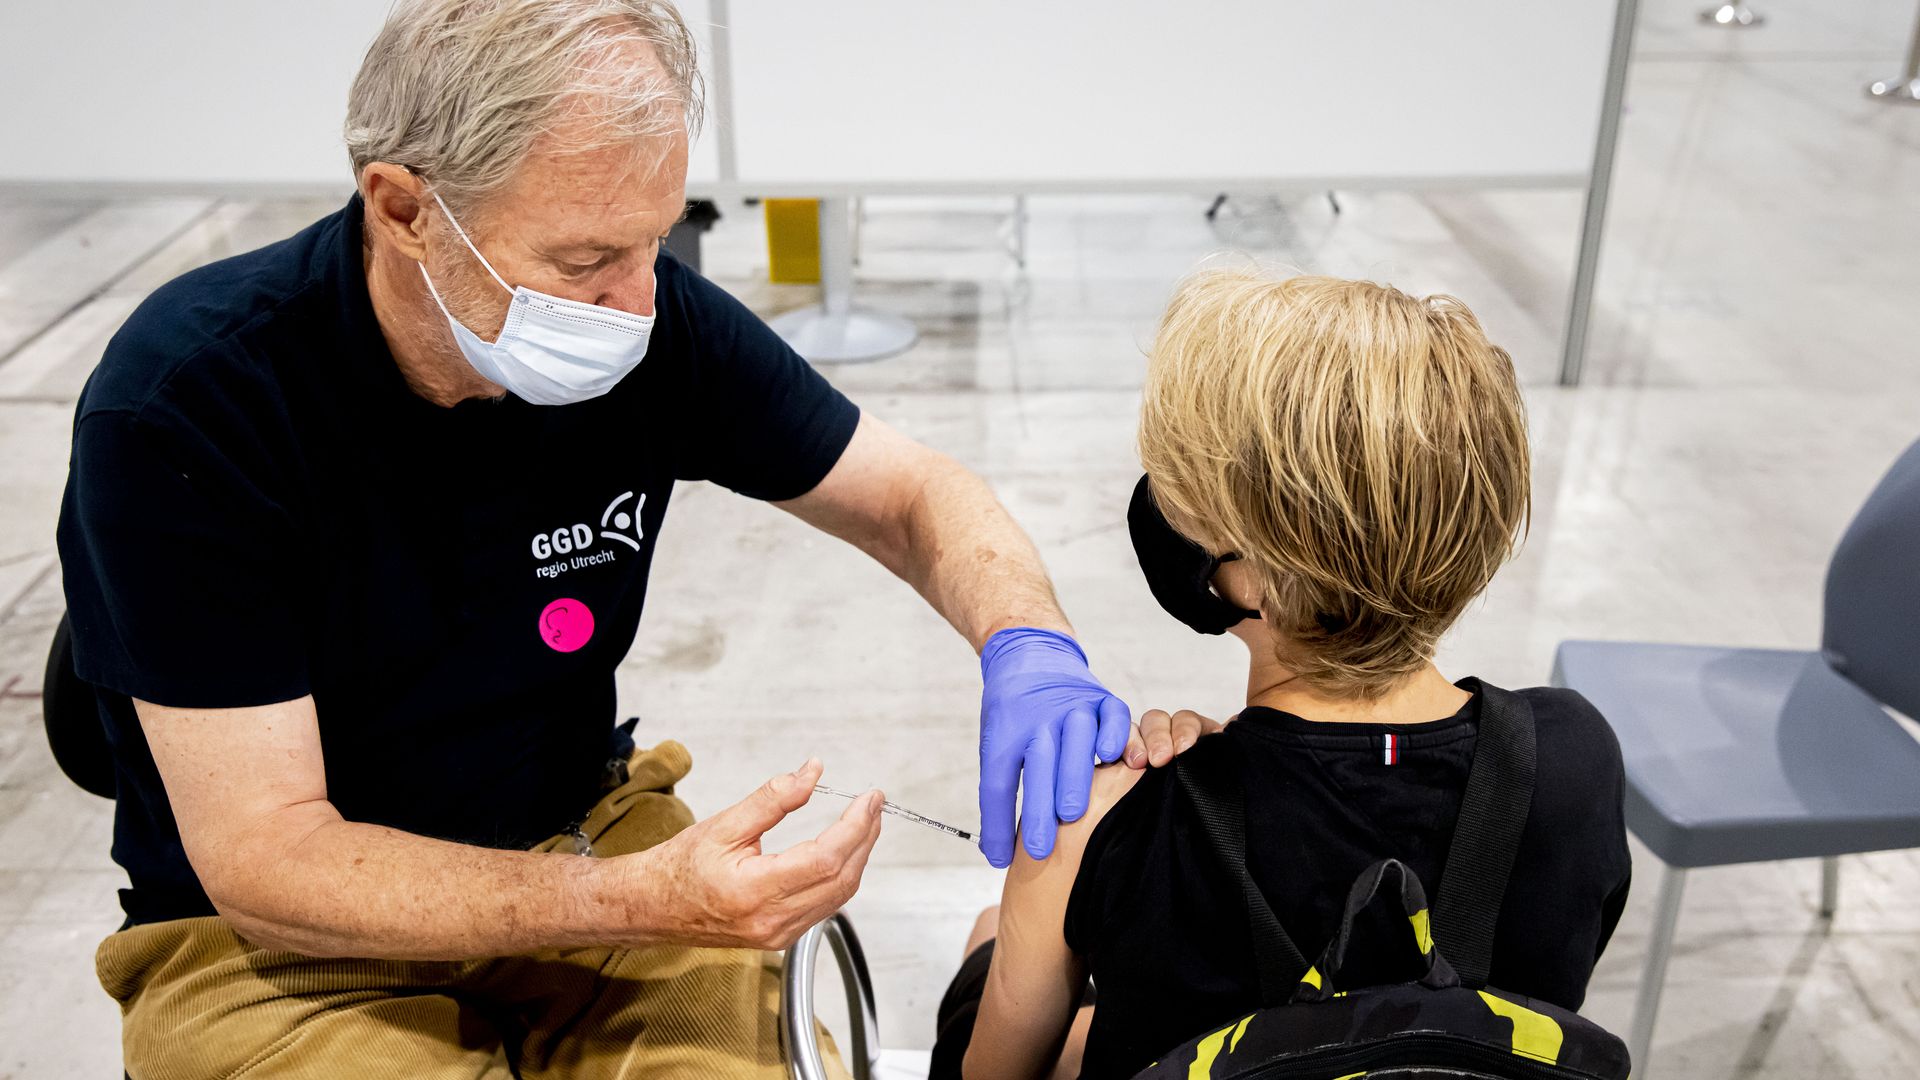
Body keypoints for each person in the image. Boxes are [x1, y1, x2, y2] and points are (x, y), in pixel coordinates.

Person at [54, 2, 1129, 1075]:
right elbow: (269, 856)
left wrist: (1027, 642)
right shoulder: (190, 407)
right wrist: (637, 899)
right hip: (277, 944)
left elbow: (909, 494)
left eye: (659, 240)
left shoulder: (649, 327)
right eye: (583, 261)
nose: (636, 302)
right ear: (401, 207)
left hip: (574, 830)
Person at [928, 271, 1633, 1080]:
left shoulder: (1105, 816)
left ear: (1259, 578)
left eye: (1183, 493)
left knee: (989, 938)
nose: (1159, 504)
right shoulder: (1574, 759)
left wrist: (1188, 791)